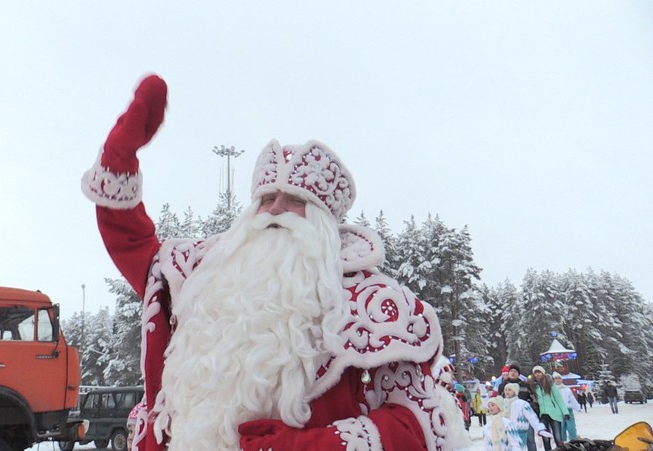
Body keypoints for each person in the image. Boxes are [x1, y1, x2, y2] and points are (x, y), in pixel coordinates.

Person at [81, 74, 466, 451]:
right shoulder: (201, 279)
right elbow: (129, 239)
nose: (276, 209)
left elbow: (420, 425)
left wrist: (313, 446)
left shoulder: (376, 306)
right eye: (266, 200)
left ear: (323, 224)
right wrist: (120, 154)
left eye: (295, 201)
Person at [503, 383, 553, 451]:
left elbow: (532, 417)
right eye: (506, 390)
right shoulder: (502, 403)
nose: (507, 392)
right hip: (505, 433)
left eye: (509, 390)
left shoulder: (522, 404)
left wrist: (540, 429)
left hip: (519, 432)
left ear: (515, 391)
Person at [529, 366, 569, 450]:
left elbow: (558, 398)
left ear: (543, 373)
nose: (537, 374)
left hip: (554, 412)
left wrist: (565, 412)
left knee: (557, 437)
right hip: (543, 414)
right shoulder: (534, 386)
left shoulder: (550, 384)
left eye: (539, 372)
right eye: (535, 373)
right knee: (546, 438)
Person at [499, 363, 537, 451]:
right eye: (511, 371)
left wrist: (529, 407)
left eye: (515, 371)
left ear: (519, 374)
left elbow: (533, 399)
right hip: (509, 417)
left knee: (530, 439)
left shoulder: (525, 385)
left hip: (525, 417)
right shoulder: (502, 386)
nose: (513, 373)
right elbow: (499, 401)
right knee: (511, 439)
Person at [552, 372, 578, 442]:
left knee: (571, 427)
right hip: (558, 411)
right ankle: (562, 442)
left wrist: (577, 407)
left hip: (568, 410)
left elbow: (572, 398)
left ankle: (573, 441)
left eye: (559, 378)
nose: (558, 380)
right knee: (561, 427)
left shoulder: (566, 389)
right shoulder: (552, 390)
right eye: (556, 378)